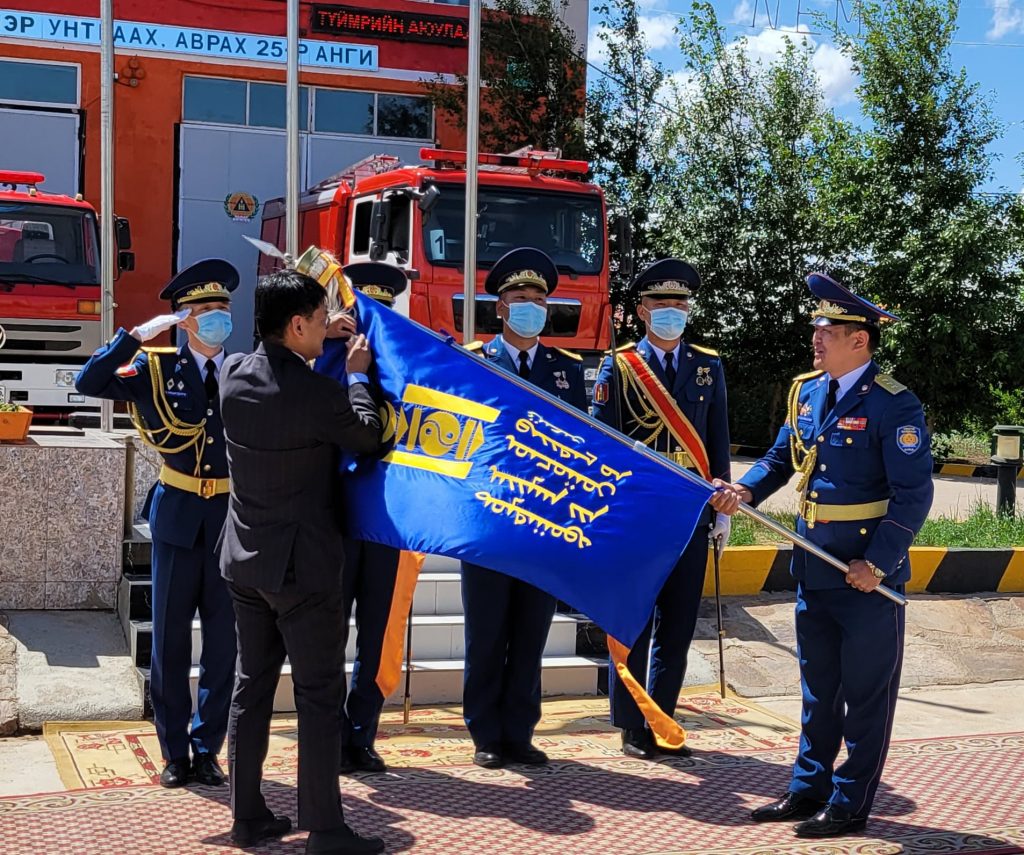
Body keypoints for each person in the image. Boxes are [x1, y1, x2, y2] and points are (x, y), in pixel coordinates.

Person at [711, 273, 933, 838]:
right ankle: (806, 790)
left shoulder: (893, 404)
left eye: (827, 330)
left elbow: (914, 493)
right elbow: (781, 458)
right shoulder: (807, 392)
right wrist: (746, 491)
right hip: (814, 563)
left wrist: (879, 562)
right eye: (816, 328)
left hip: (865, 575)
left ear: (859, 340)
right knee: (819, 692)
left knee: (864, 696)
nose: (816, 337)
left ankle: (850, 802)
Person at [218, 269, 385, 853]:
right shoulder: (319, 394)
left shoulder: (231, 375)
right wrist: (358, 377)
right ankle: (326, 829)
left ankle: (247, 817)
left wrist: (321, 335)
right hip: (305, 571)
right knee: (318, 696)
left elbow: (272, 362)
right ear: (295, 325)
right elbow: (367, 434)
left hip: (244, 561)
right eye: (317, 321)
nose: (325, 329)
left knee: (251, 688)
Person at [76, 259, 239, 789]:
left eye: (224, 310)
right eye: (207, 311)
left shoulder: (242, 370)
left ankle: (207, 747)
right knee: (170, 642)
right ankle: (174, 751)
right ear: (185, 319)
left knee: (222, 644)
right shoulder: (153, 368)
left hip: (228, 522)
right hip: (178, 517)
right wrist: (134, 338)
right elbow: (89, 381)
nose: (218, 319)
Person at [591, 258, 731, 760]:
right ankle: (631, 725)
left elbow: (717, 441)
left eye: (679, 304)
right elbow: (603, 443)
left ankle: (663, 720)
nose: (672, 312)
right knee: (634, 622)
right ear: (641, 310)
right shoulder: (620, 365)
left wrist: (724, 509)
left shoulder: (707, 365)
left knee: (677, 624)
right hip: (637, 513)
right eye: (661, 303)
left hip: (690, 511)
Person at [461, 247, 587, 769]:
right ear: (500, 308)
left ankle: (521, 731)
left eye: (539, 298)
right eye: (519, 298)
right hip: (490, 521)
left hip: (544, 520)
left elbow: (582, 444)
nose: (531, 305)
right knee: (487, 631)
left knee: (531, 630)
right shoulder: (474, 361)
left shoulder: (567, 370)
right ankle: (486, 734)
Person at [313, 262, 408, 775]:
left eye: (383, 314)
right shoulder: (324, 358)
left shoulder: (407, 365)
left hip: (390, 520)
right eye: (361, 312)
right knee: (330, 634)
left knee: (376, 635)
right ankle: (328, 735)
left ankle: (361, 734)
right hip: (338, 515)